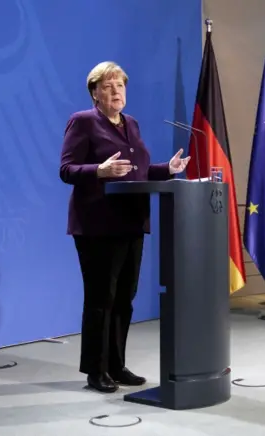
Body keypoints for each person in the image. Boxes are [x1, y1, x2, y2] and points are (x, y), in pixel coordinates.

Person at [59, 61, 190, 393]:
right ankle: (96, 369)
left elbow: (138, 170)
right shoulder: (83, 122)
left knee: (124, 299)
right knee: (101, 298)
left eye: (119, 85)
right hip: (97, 224)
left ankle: (117, 365)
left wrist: (167, 169)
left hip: (132, 221)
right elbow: (67, 169)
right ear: (94, 93)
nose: (115, 91)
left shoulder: (131, 124)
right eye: (107, 86)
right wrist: (98, 172)